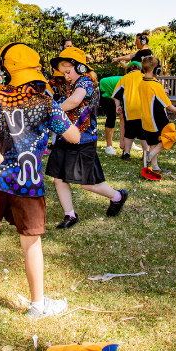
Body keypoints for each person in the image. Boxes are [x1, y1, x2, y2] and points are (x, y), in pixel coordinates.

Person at [0, 42, 79, 320]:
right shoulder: (45, 101)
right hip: (27, 182)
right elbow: (73, 136)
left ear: (3, 70)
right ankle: (38, 305)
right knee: (31, 242)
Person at [46, 47, 129, 229]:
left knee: (88, 184)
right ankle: (70, 215)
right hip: (66, 136)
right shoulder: (72, 83)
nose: (66, 76)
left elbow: (75, 101)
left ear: (81, 68)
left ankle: (118, 196)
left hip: (83, 139)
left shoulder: (85, 82)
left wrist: (52, 109)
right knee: (59, 178)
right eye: (63, 73)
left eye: (68, 72)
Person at [138, 56, 176, 172]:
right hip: (157, 118)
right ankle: (150, 154)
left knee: (154, 141)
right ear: (155, 70)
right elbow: (167, 104)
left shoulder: (142, 83)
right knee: (170, 136)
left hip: (146, 118)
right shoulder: (156, 85)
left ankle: (154, 166)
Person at [112, 60, 146, 159]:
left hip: (130, 110)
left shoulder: (124, 78)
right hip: (143, 110)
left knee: (129, 133)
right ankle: (146, 154)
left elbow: (117, 95)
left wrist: (118, 106)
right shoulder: (145, 77)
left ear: (128, 69)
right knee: (143, 134)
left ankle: (126, 153)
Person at [98, 73, 122, 155]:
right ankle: (109, 146)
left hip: (114, 91)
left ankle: (128, 142)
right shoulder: (133, 81)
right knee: (111, 116)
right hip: (105, 88)